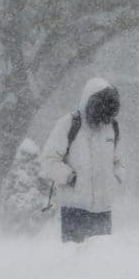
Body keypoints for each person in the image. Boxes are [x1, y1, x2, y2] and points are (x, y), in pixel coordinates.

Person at [41, 77, 124, 243]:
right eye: (100, 107)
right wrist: (69, 177)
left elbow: (120, 162)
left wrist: (115, 180)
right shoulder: (69, 124)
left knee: (102, 262)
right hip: (74, 210)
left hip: (103, 211)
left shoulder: (112, 127)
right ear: (90, 103)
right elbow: (49, 159)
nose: (104, 114)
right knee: (75, 263)